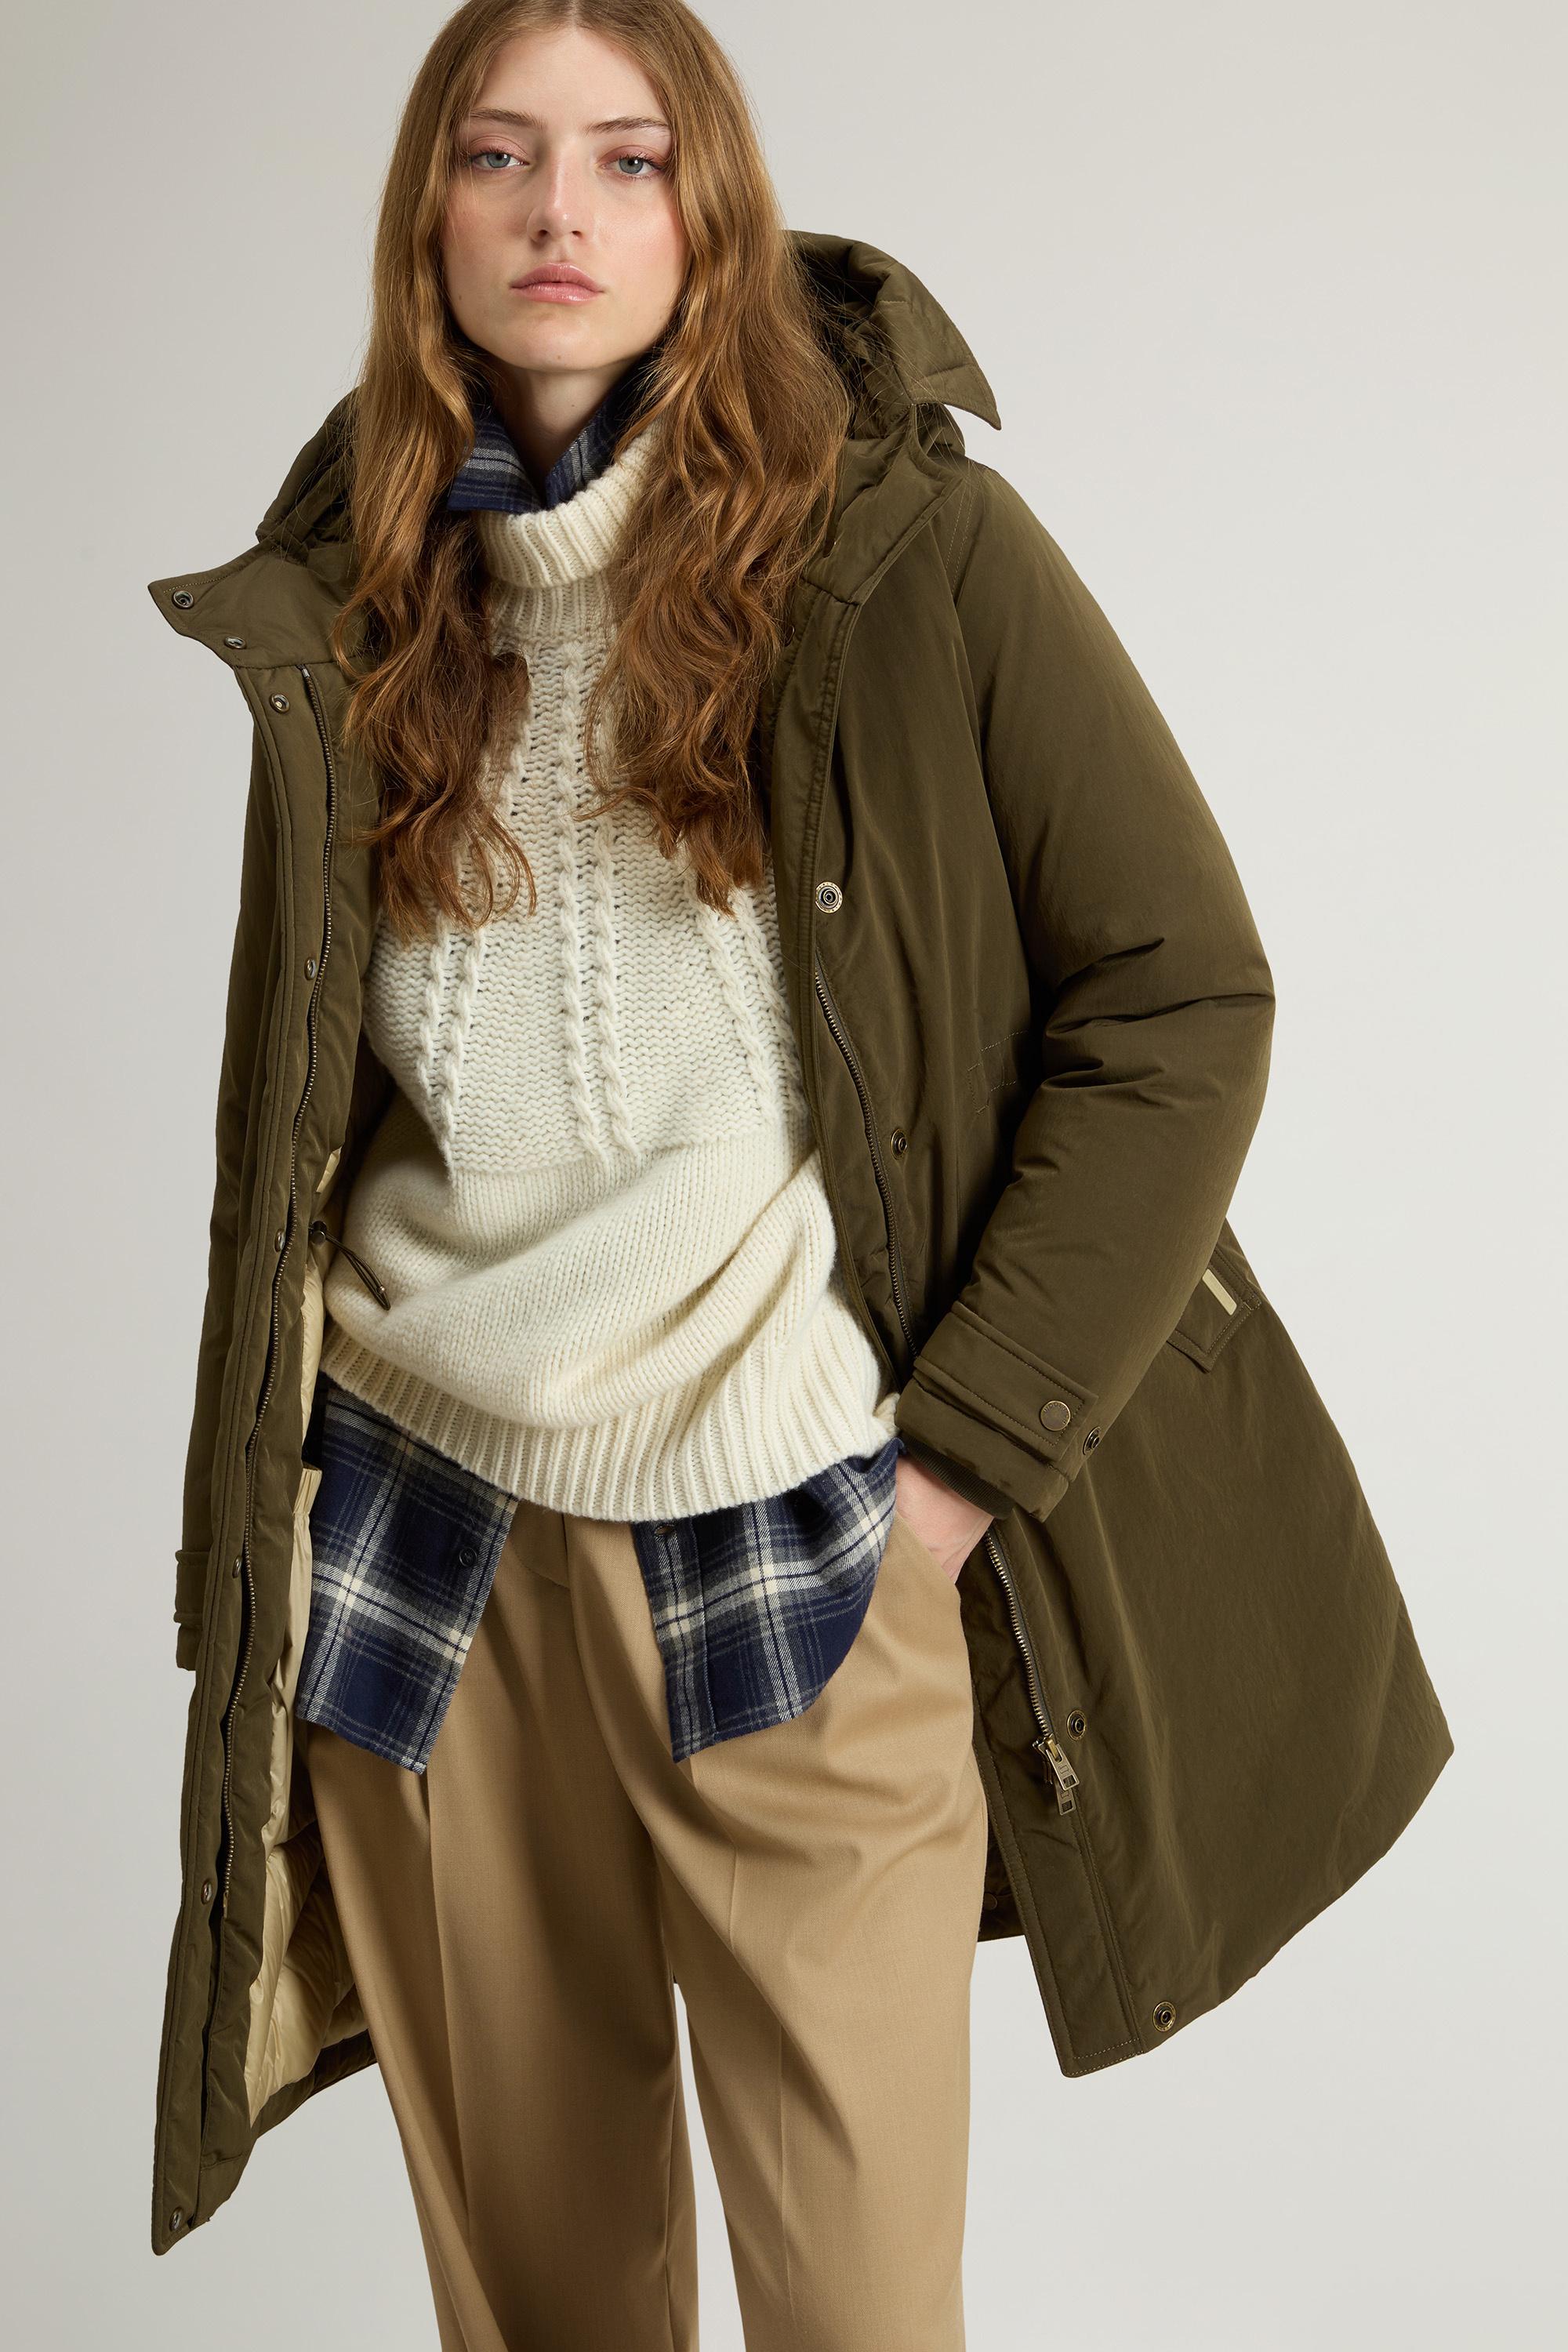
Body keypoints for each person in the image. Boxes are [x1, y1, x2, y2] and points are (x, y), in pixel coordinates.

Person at [144, 0, 1452, 2343]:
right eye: (498, 155)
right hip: (423, 1547)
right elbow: (310, 1111)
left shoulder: (904, 552)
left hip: (794, 1540)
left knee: (857, 2308)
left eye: (629, 159)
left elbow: (1181, 996)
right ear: (425, 214)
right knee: (542, 2311)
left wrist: (953, 1475)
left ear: (712, 212)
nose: (560, 212)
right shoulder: (350, 597)